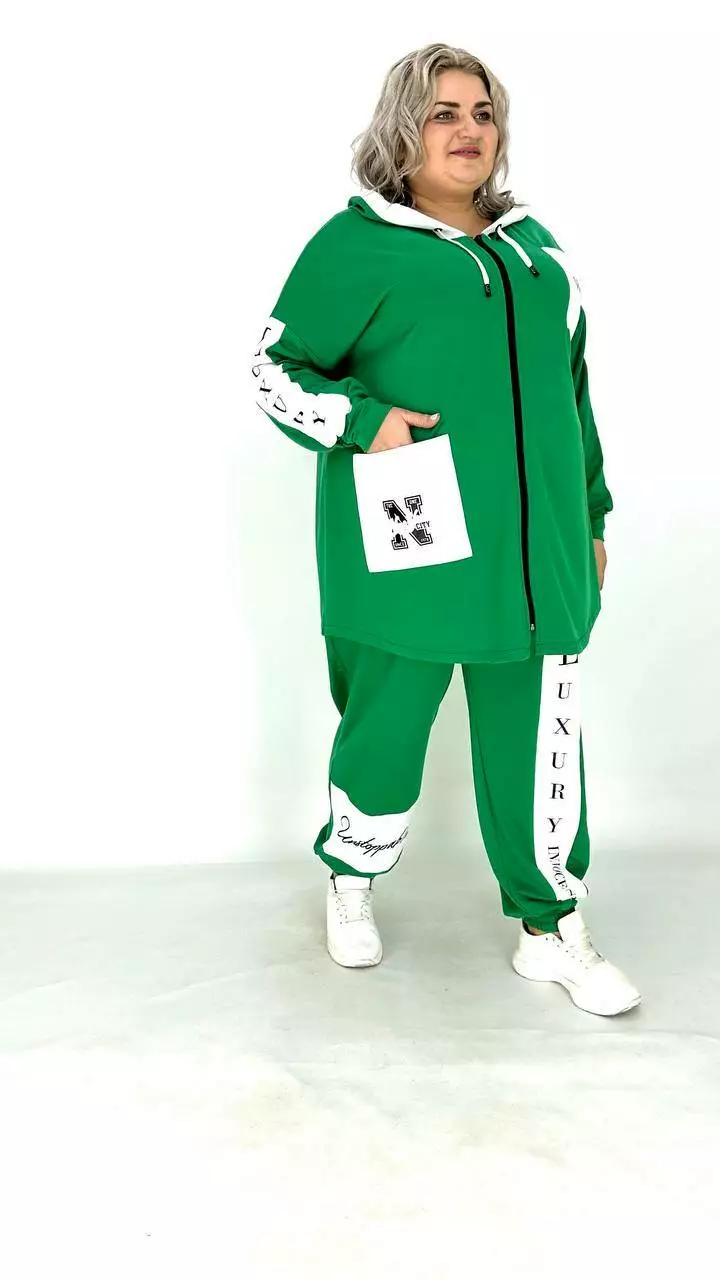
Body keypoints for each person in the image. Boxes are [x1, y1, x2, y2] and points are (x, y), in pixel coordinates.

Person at [249, 42, 641, 1017]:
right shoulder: (356, 245)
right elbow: (273, 367)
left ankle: (552, 926)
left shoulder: (539, 252)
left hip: (539, 552)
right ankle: (353, 874)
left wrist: (591, 513)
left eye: (482, 112)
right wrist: (361, 419)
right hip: (410, 536)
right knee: (387, 723)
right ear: (403, 130)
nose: (469, 130)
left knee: (541, 741)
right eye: (444, 113)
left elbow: (572, 394)